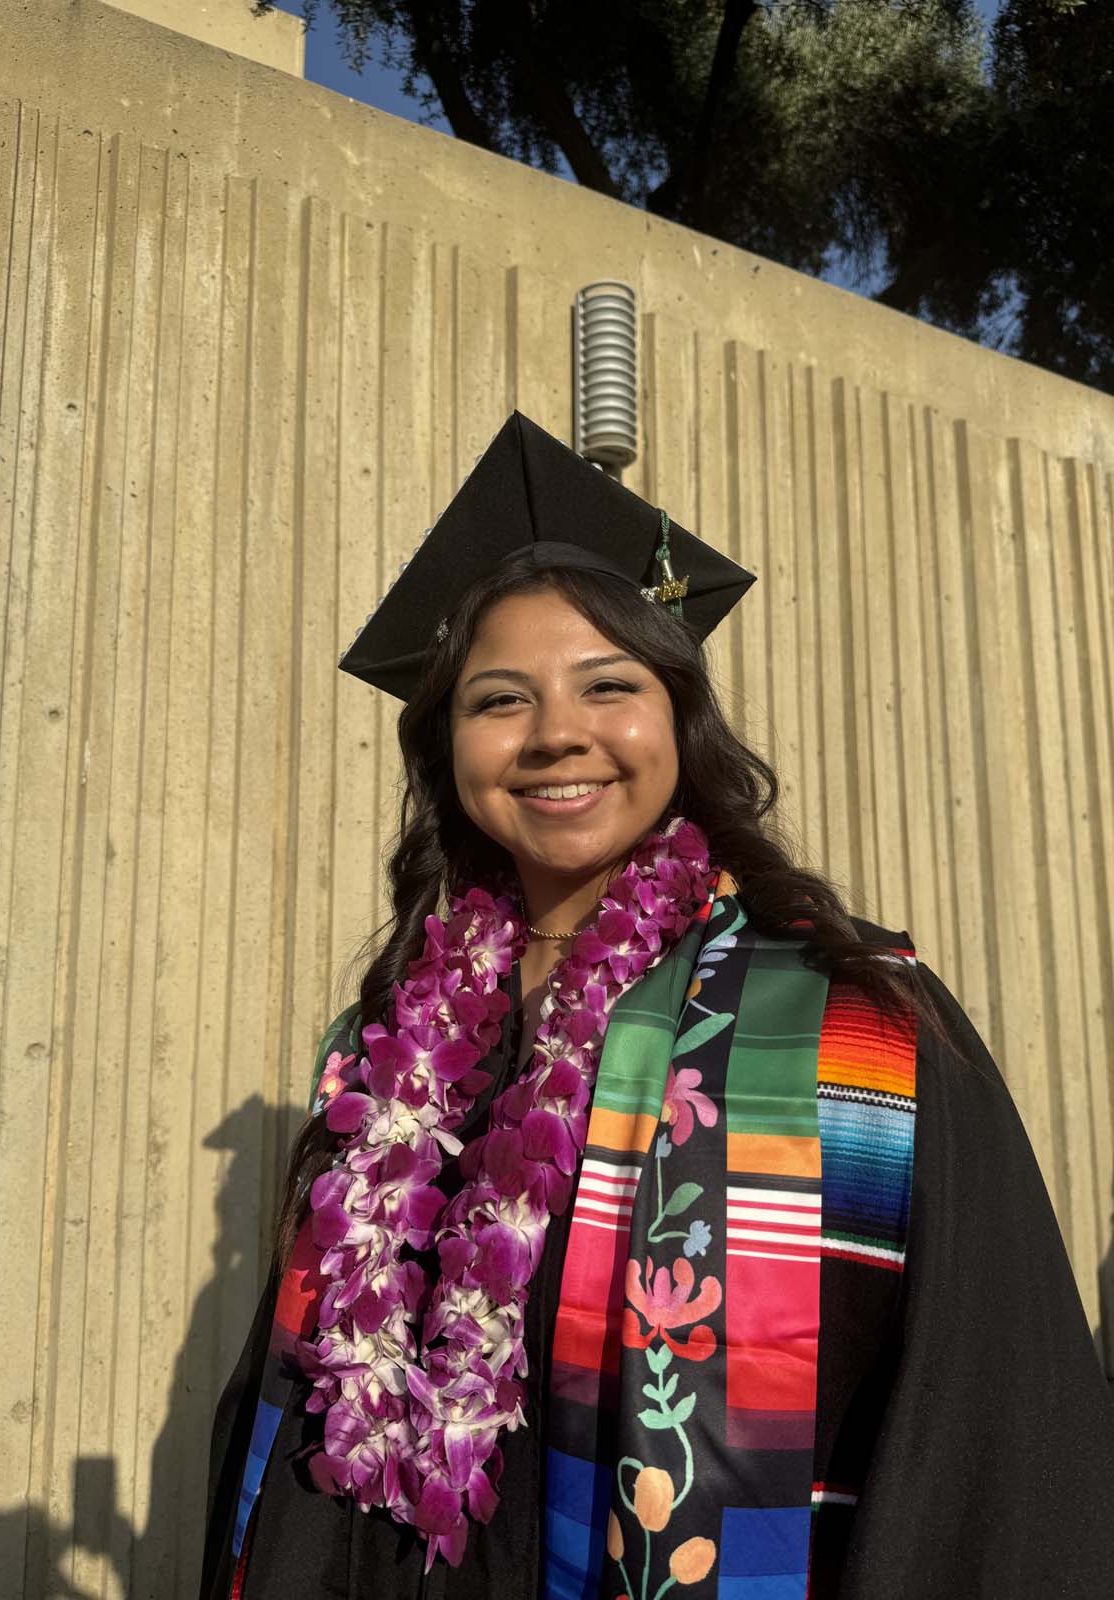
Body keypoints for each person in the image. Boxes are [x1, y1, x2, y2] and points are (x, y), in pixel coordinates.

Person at [201, 412, 1114, 1600]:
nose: (557, 734)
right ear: (447, 746)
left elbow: (995, 1416)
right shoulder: (390, 1053)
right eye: (499, 700)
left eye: (607, 684)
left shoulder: (860, 1029)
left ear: (679, 713)